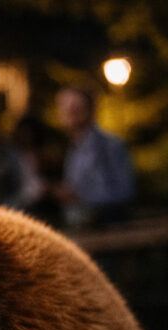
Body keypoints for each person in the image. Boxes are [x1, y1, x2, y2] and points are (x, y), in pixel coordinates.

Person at [52, 85, 135, 228]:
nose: (67, 113)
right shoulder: (73, 150)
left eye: (74, 108)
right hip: (84, 230)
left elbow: (125, 191)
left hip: (108, 232)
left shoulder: (109, 146)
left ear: (89, 110)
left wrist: (81, 197)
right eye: (64, 108)